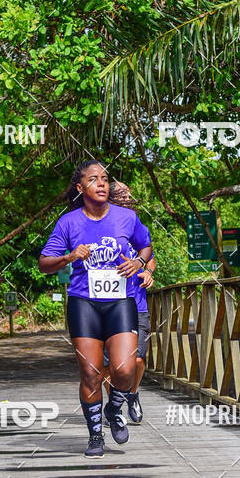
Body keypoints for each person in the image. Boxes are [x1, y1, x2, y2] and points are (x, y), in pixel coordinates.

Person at [38, 160, 153, 457]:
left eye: (104, 179)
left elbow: (146, 246)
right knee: (90, 373)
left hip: (120, 302)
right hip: (84, 303)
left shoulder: (127, 217)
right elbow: (44, 264)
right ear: (81, 188)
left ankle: (115, 409)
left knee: (125, 369)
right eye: (93, 179)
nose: (101, 183)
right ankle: (95, 437)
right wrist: (69, 256)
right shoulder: (68, 222)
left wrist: (139, 262)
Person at [102, 181, 155, 426]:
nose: (126, 204)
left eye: (127, 201)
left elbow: (150, 257)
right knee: (107, 366)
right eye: (121, 200)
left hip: (136, 303)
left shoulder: (135, 223)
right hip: (104, 304)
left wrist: (147, 271)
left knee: (137, 360)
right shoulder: (95, 225)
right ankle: (115, 407)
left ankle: (131, 394)